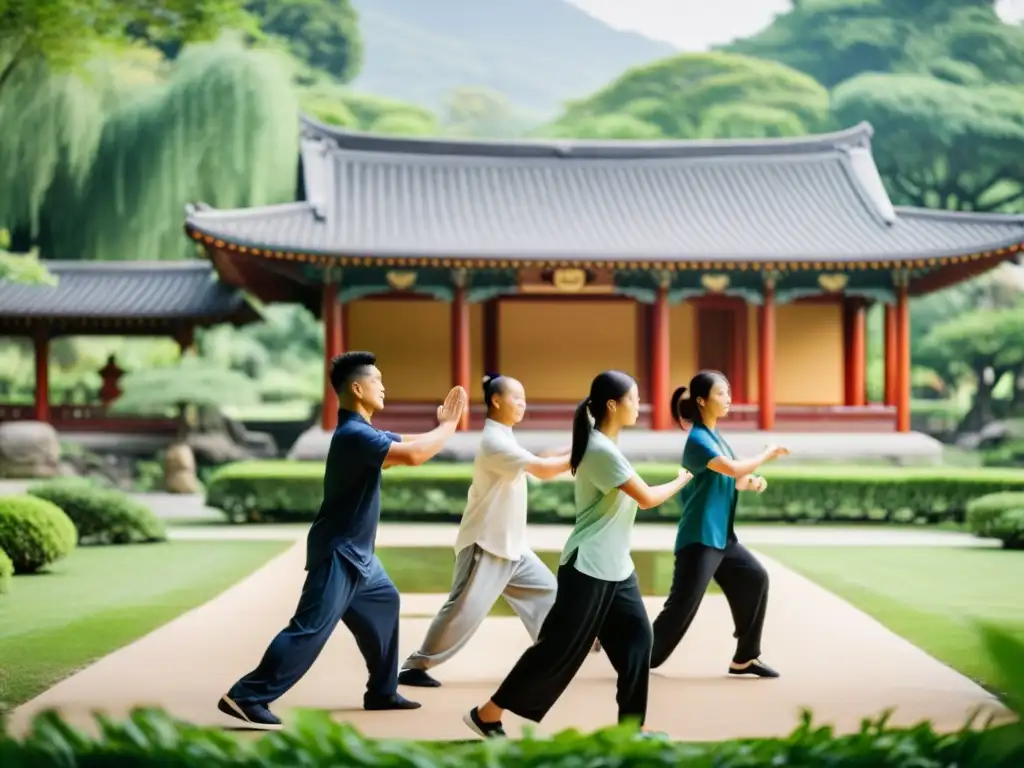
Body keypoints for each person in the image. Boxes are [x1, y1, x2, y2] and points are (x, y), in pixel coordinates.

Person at [217, 351, 468, 727]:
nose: (384, 387)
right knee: (310, 628)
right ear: (356, 387)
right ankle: (246, 695)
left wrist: (441, 430)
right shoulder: (354, 436)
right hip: (339, 551)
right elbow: (414, 456)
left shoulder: (365, 433)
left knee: (385, 601)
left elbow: (413, 443)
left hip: (360, 555)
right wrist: (449, 426)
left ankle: (382, 691)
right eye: (377, 380)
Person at [463, 370, 693, 738]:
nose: (639, 405)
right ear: (612, 405)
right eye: (633, 399)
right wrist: (684, 478)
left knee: (638, 640)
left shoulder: (605, 446)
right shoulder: (601, 449)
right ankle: (488, 713)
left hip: (616, 567)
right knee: (558, 648)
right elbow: (647, 499)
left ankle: (633, 727)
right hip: (588, 567)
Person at [398, 372, 576, 688]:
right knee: (462, 611)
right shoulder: (495, 442)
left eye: (524, 399)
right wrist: (586, 452)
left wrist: (579, 444)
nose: (523, 404)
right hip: (485, 544)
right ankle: (416, 666)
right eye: (516, 398)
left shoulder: (504, 437)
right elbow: (545, 469)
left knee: (550, 594)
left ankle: (561, 651)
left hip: (512, 546)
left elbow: (542, 458)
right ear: (496, 400)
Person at [649, 370, 789, 678]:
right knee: (680, 610)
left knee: (755, 579)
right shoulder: (698, 440)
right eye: (721, 394)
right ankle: (634, 653)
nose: (728, 399)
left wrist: (751, 483)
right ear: (701, 401)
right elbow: (732, 467)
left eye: (728, 393)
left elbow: (735, 476)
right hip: (700, 538)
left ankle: (745, 657)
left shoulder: (716, 438)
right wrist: (766, 454)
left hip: (722, 538)